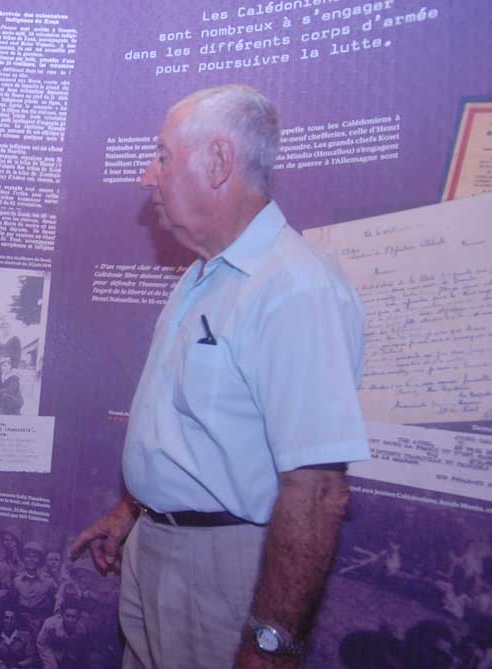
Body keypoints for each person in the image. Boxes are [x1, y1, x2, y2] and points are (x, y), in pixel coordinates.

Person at [69, 85, 370, 667]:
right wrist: (134, 511)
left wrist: (270, 643)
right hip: (157, 552)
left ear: (218, 161)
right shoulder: (202, 276)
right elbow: (194, 428)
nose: (146, 176)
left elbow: (317, 490)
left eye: (162, 156)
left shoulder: (296, 289)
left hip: (224, 576)